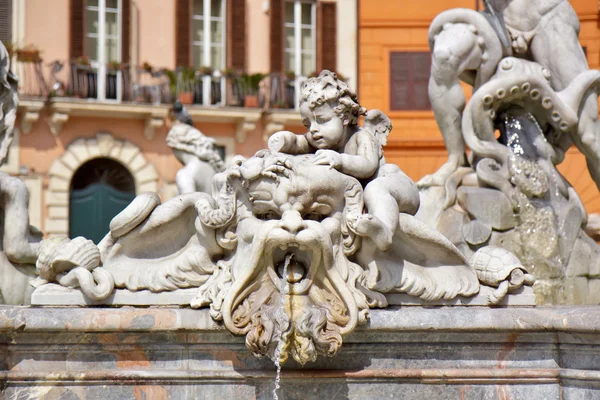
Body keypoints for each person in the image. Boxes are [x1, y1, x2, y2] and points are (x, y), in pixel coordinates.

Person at [268, 70, 419, 250]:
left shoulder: (362, 137)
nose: (313, 130)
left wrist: (341, 160)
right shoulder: (320, 141)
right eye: (307, 124)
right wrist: (284, 140)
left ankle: (384, 231)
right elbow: (299, 142)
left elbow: (368, 166)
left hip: (397, 187)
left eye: (322, 120)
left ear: (345, 117)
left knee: (375, 189)